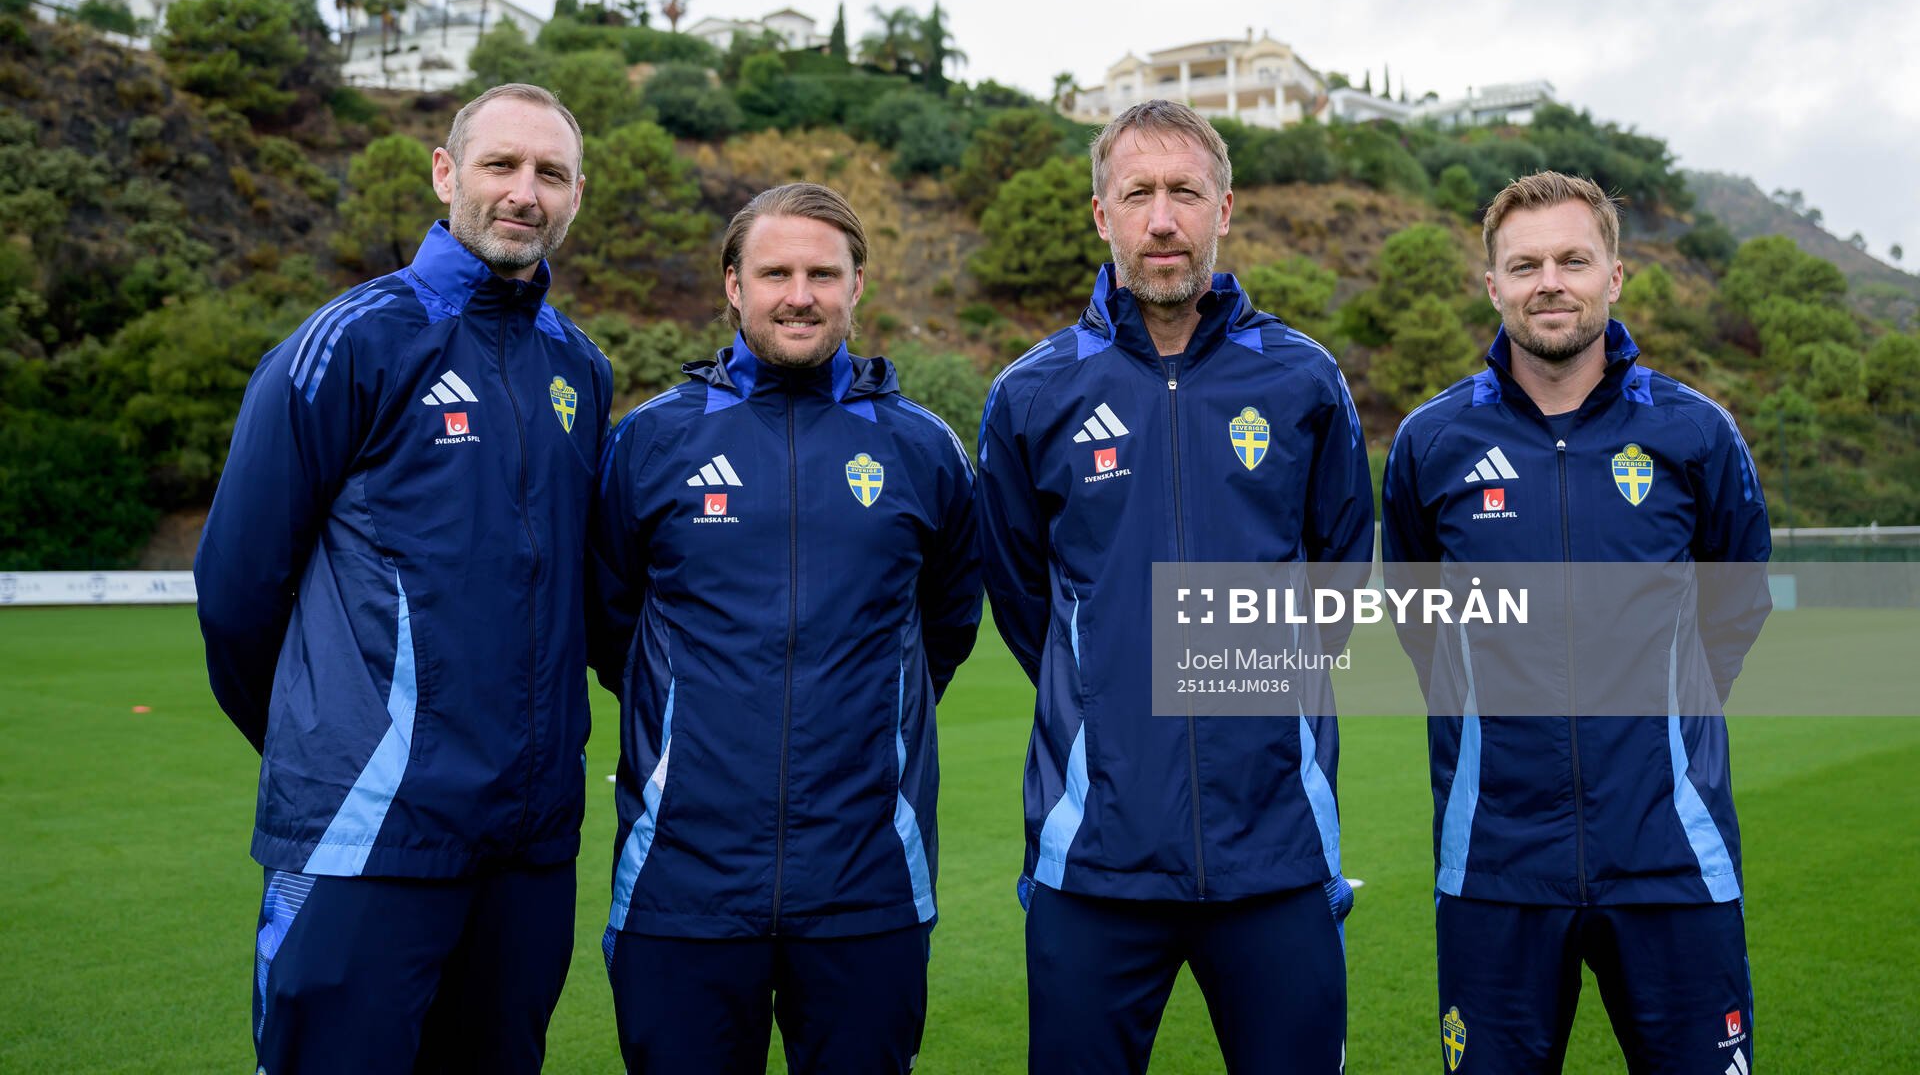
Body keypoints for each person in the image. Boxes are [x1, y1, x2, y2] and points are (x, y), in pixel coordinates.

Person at [195, 82, 611, 1073]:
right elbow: (238, 588)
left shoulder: (581, 369)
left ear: (576, 194)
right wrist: (334, 741)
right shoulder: (354, 339)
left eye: (549, 172)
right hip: (366, 830)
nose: (524, 191)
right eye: (499, 165)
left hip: (528, 843)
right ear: (444, 172)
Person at [976, 99, 1373, 1073]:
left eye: (1185, 192)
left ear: (1224, 207)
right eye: (1138, 193)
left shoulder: (1302, 378)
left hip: (1274, 845)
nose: (1163, 218)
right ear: (1100, 213)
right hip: (1096, 851)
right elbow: (1025, 596)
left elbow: (1337, 573)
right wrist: (1111, 686)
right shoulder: (1031, 392)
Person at [1381, 170, 1771, 1073]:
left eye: (1571, 259)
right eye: (1524, 265)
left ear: (1615, 276)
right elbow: (1419, 616)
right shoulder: (1431, 443)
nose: (1548, 281)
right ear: (1492, 286)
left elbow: (1734, 605)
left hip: (1670, 853)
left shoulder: (1694, 432)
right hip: (1495, 863)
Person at [589, 182, 981, 1075]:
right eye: (775, 272)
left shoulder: (922, 447)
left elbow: (946, 626)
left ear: (856, 287)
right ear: (733, 285)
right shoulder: (652, 441)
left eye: (821, 273)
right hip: (681, 886)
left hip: (866, 883)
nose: (798, 293)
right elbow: (613, 628)